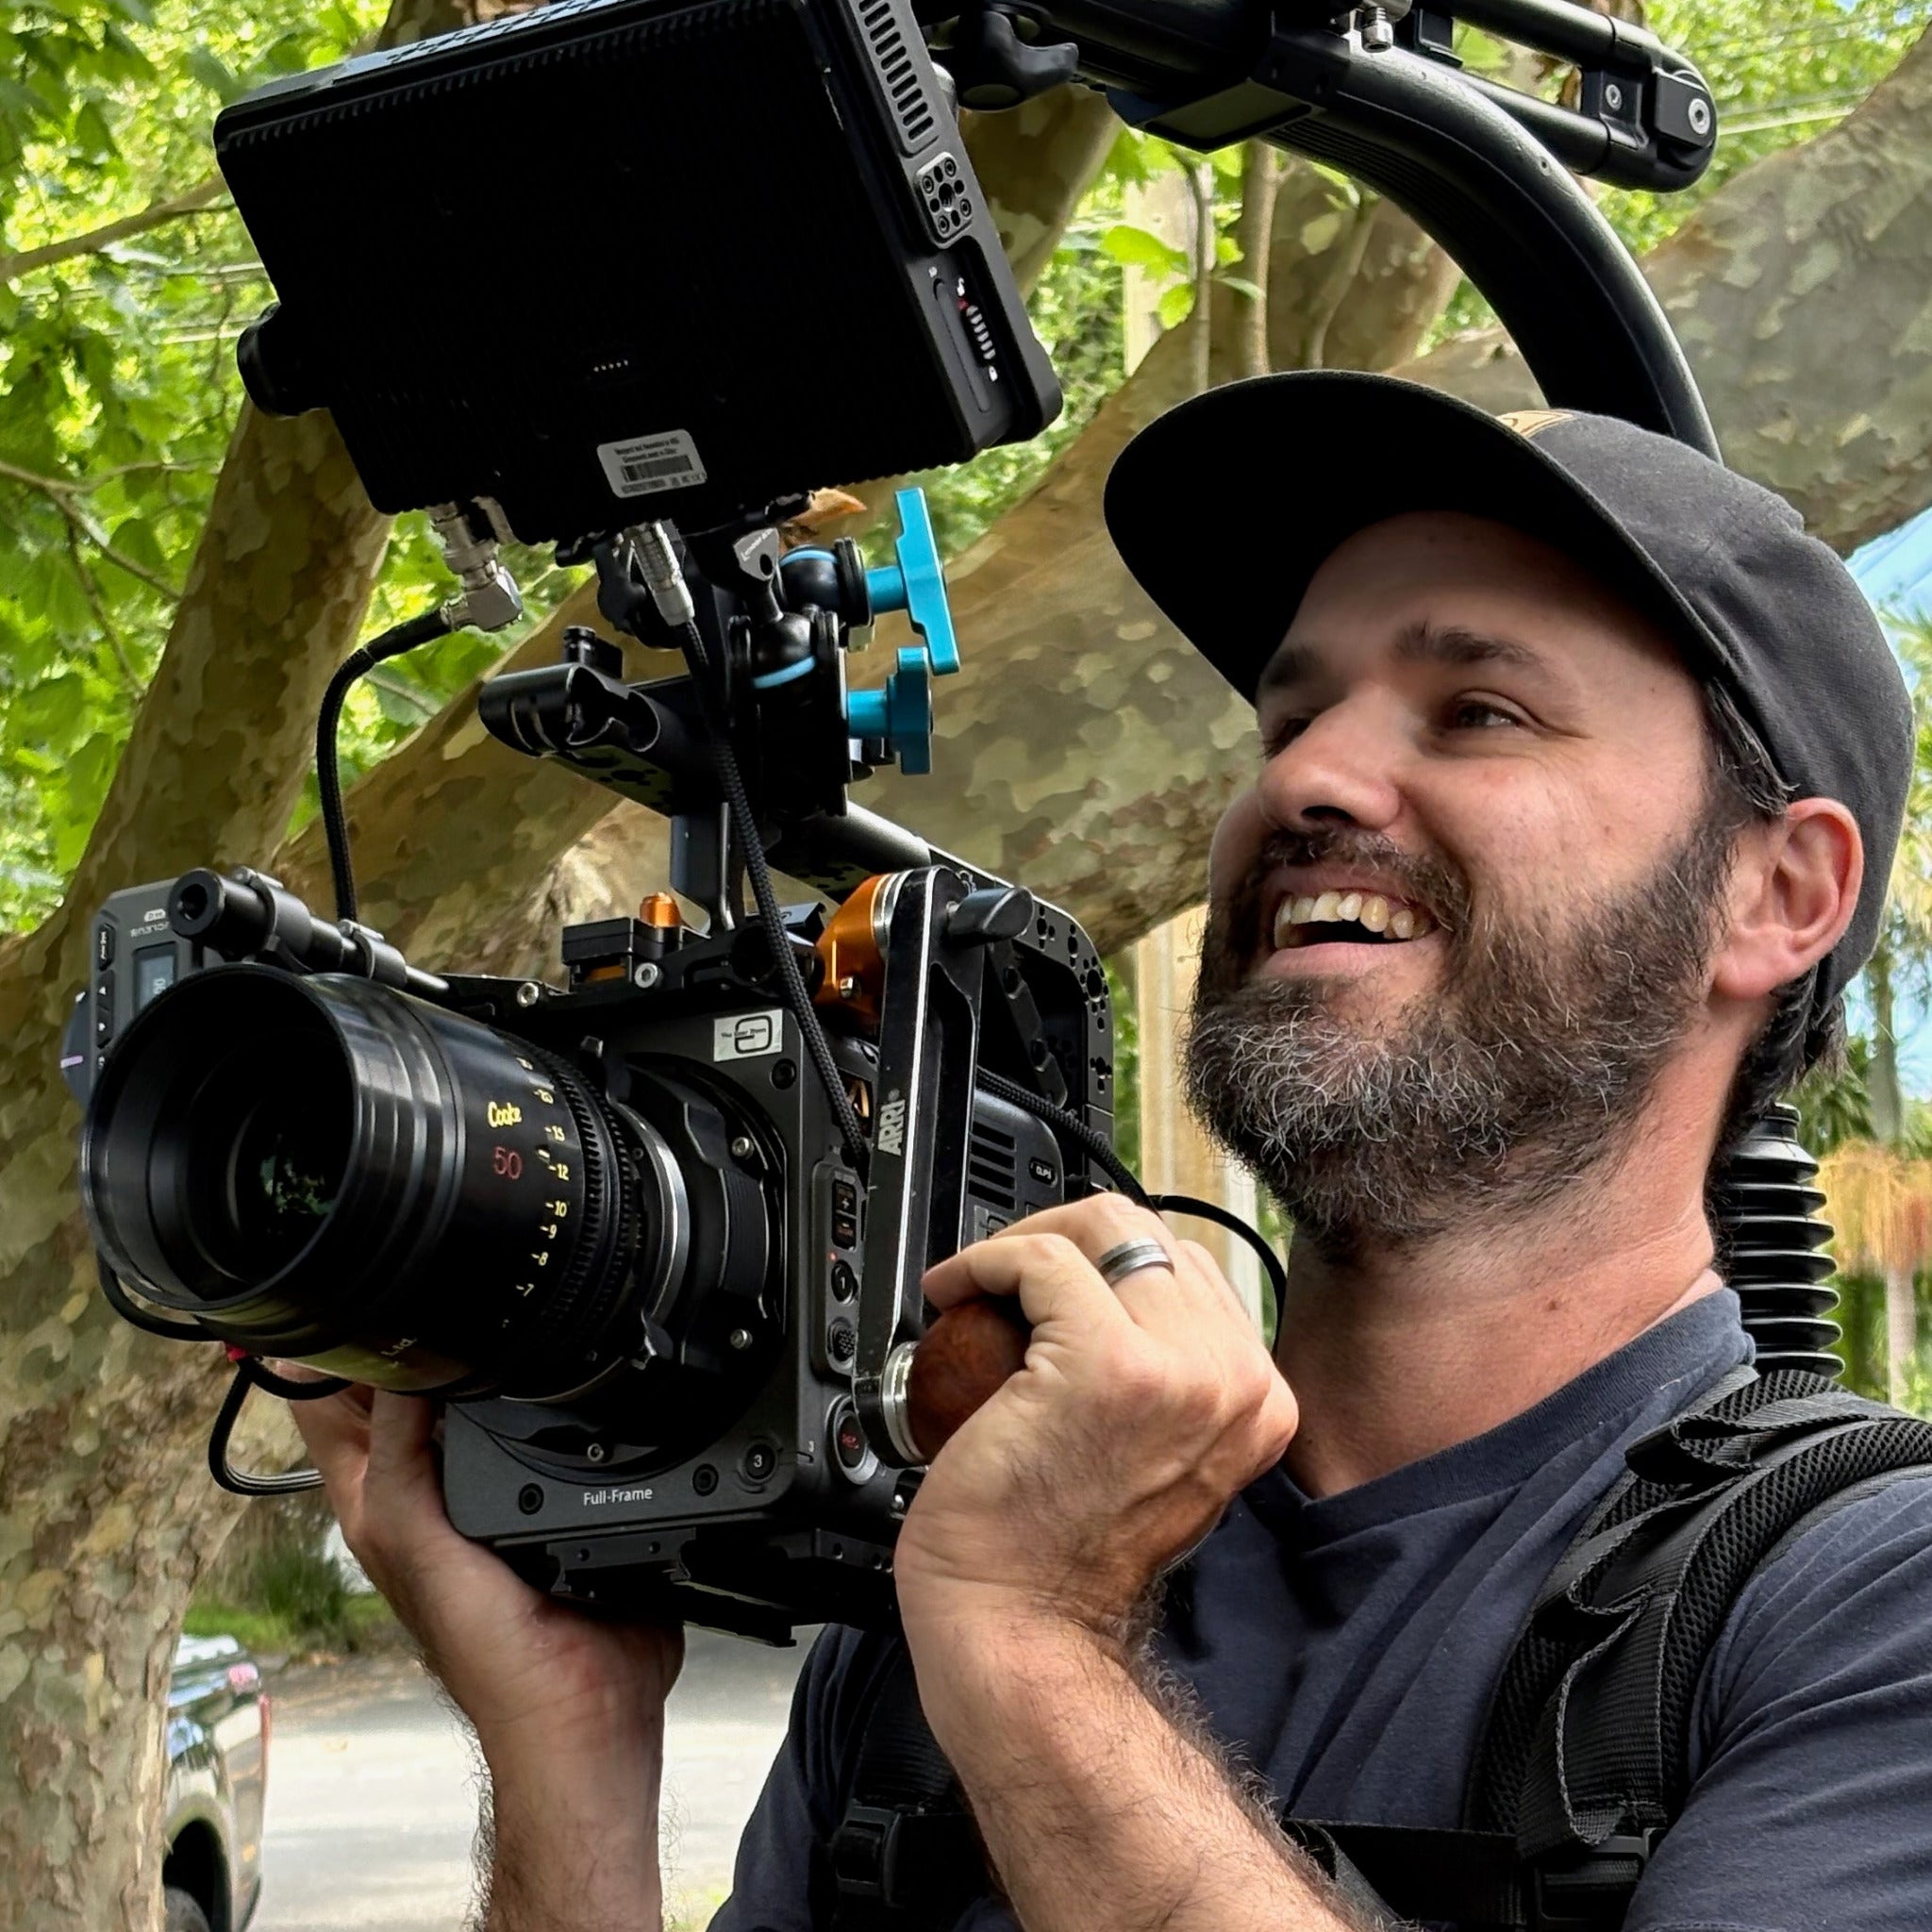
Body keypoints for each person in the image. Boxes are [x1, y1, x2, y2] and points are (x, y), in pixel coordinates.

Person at [294, 372, 1932, 1932]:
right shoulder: (982, 1535)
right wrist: (565, 1753)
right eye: (1291, 712)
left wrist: (1035, 1649)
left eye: (1480, 709)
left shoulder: (1868, 1601)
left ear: (1776, 894)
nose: (1306, 774)